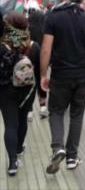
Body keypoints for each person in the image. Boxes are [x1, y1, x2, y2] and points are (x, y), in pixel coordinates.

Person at [40, 0, 85, 174]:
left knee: (56, 111)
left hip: (60, 73)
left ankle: (58, 148)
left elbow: (46, 49)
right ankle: (72, 157)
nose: (57, 1)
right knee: (77, 115)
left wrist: (43, 74)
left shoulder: (53, 18)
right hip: (82, 74)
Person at [0, 12, 35, 176]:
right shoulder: (29, 43)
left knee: (10, 125)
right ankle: (19, 147)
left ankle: (13, 162)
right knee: (22, 119)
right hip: (26, 88)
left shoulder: (3, 43)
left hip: (5, 90)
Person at [27, 9, 48, 119]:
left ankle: (29, 111)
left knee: (29, 81)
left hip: (30, 55)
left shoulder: (28, 29)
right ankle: (43, 107)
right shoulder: (45, 30)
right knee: (41, 79)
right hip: (42, 56)